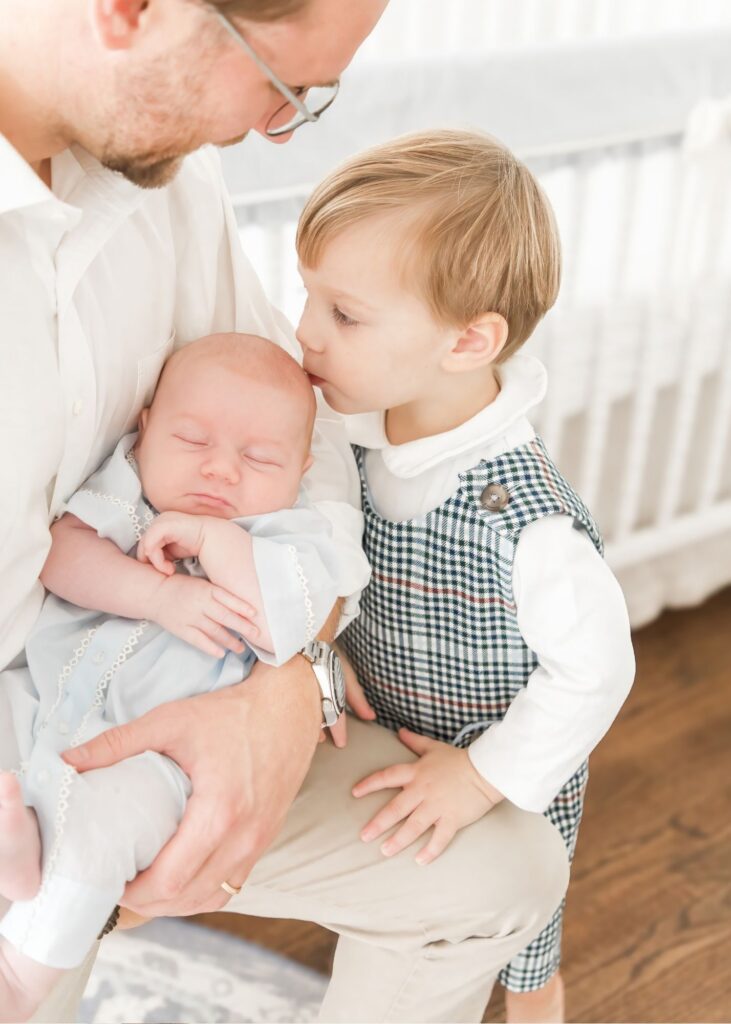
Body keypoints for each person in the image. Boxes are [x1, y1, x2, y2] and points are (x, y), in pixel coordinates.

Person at [1, 3, 570, 1021]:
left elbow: (296, 436)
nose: (278, 127)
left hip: (165, 694)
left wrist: (287, 688)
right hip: (30, 712)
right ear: (133, 10)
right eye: (280, 81)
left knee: (501, 868)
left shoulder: (159, 175)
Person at [295, 129, 636, 1023]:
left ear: (466, 342)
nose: (303, 332)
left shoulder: (526, 520)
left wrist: (483, 779)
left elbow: (596, 672)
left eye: (344, 314)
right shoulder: (359, 443)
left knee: (524, 952)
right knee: (393, 907)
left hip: (499, 765)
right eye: (309, 299)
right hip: (392, 737)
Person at [0, 331, 357, 1021]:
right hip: (38, 700)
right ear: (146, 430)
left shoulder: (294, 539)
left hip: (161, 764)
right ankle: (17, 865)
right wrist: (158, 595)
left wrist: (217, 543)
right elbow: (60, 558)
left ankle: (20, 976)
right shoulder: (126, 486)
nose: (220, 471)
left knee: (96, 834)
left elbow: (284, 626)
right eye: (192, 441)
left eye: (258, 458)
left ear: (300, 471)